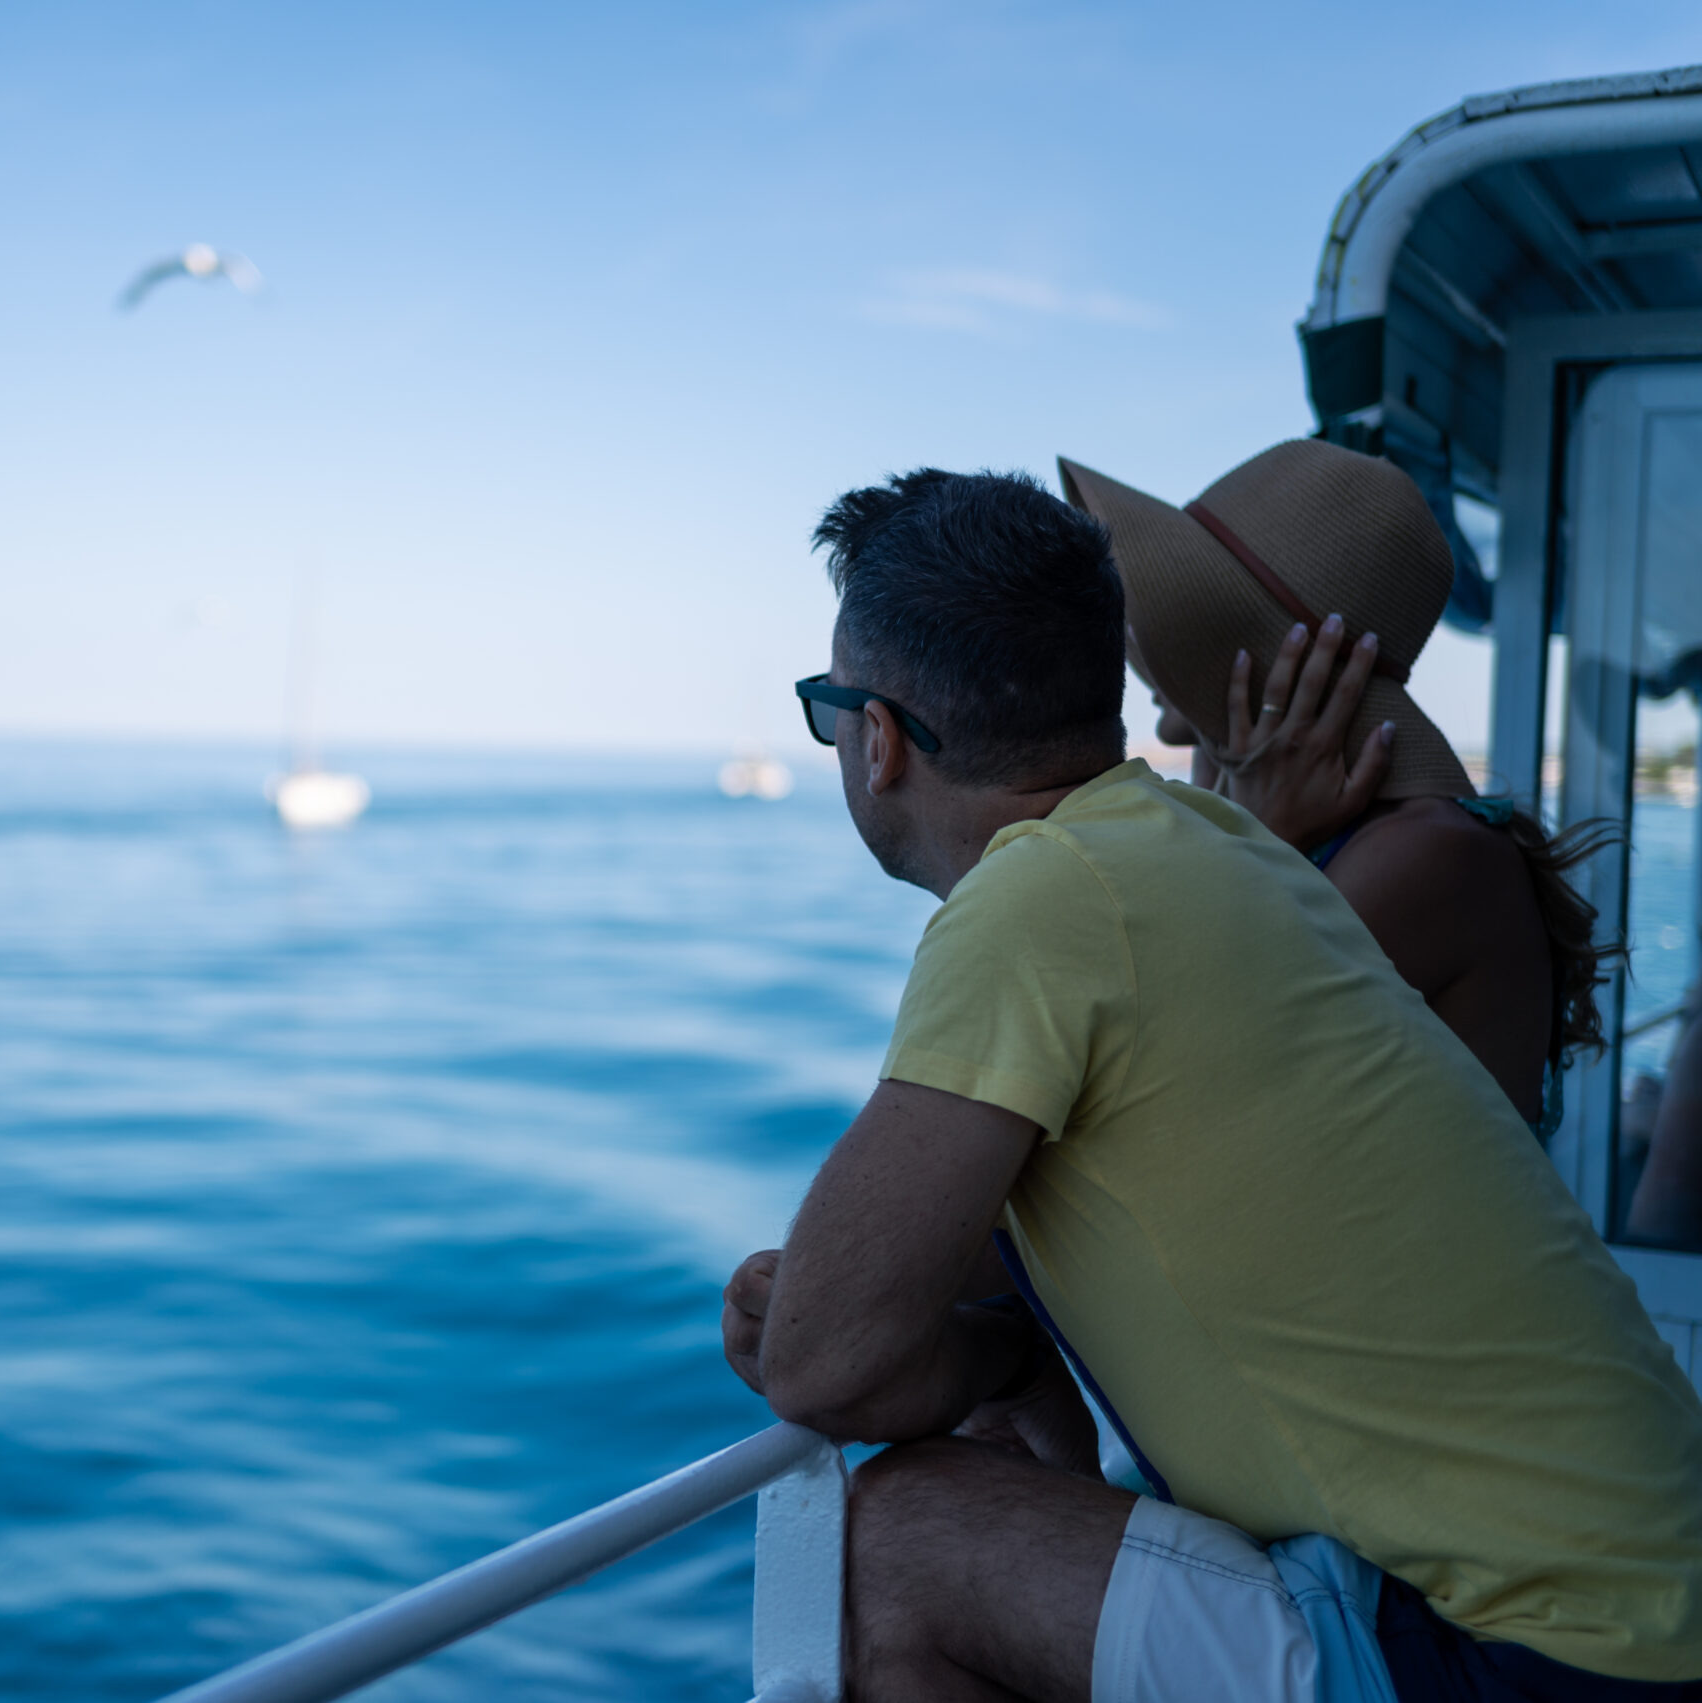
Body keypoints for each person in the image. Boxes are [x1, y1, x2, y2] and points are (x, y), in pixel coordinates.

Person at [724, 466, 1702, 1702]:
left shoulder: (1051, 897)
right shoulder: (1234, 852)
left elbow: (822, 1360)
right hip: (1629, 1596)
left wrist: (971, 1360)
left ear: (876, 738)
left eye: (827, 710)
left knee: (892, 1536)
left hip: (1551, 1653)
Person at [1055, 439, 1614, 1133]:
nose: (1142, 652)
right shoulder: (1356, 835)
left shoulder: (1429, 856)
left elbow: (1165, 1078)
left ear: (1285, 662)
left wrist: (1250, 845)